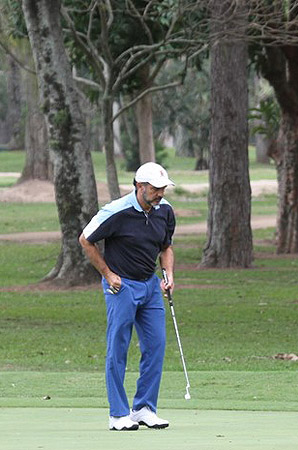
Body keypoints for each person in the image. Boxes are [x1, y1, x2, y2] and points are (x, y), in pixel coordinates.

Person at [79, 162, 176, 431]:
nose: (160, 194)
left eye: (163, 188)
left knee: (155, 346)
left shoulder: (164, 211)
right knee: (118, 349)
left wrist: (168, 274)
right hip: (121, 288)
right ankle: (118, 414)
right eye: (155, 189)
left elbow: (166, 246)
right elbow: (85, 239)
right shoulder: (116, 211)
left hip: (150, 287)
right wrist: (108, 274)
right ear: (139, 186)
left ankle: (144, 408)